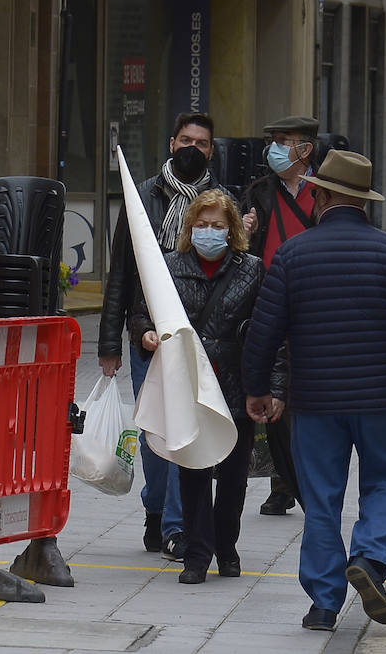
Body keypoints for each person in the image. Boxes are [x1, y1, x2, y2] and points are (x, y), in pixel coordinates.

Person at [242, 150, 386, 632]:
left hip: (315, 402)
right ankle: (372, 560)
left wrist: (258, 389)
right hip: (379, 401)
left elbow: (264, 330)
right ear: (362, 201)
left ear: (322, 195)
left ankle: (323, 604)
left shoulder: (293, 255)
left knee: (321, 499)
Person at [131, 190, 282, 584]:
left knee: (233, 477)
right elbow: (142, 313)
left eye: (217, 226)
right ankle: (196, 555)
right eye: (202, 225)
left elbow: (268, 330)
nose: (209, 232)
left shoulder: (251, 269)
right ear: (189, 227)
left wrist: (270, 386)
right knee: (193, 473)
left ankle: (226, 547)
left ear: (232, 230)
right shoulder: (169, 267)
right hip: (189, 385)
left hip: (236, 384)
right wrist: (145, 334)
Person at [98, 111, 225, 562]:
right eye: (186, 140)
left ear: (212, 150)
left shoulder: (221, 202)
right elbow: (121, 272)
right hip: (145, 332)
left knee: (184, 433)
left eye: (203, 143)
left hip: (197, 338)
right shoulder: (143, 198)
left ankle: (176, 526)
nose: (194, 148)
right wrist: (109, 343)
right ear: (172, 143)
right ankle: (156, 510)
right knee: (155, 433)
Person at [240, 114, 319, 516]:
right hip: (270, 302)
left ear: (304, 149)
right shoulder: (258, 192)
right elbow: (240, 249)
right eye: (273, 139)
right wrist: (245, 231)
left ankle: (302, 477)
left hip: (314, 307)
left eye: (284, 140)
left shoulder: (326, 193)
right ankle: (282, 482)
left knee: (304, 394)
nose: (275, 147)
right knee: (273, 393)